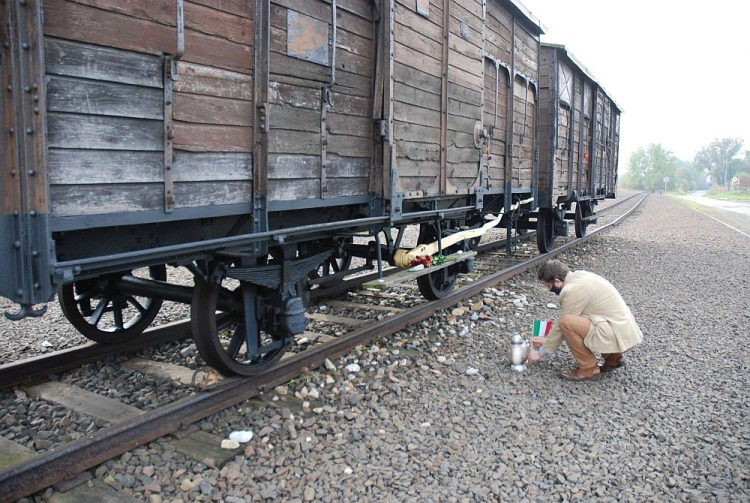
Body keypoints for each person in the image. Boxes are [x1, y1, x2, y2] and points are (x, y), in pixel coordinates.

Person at [528, 260, 643, 381]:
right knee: (578, 318)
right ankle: (613, 358)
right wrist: (547, 341)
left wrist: (541, 353)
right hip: (623, 330)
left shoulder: (572, 290)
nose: (549, 290)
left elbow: (562, 324)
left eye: (548, 286)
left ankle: (588, 368)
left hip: (615, 333)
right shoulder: (580, 276)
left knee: (566, 323)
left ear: (557, 282)